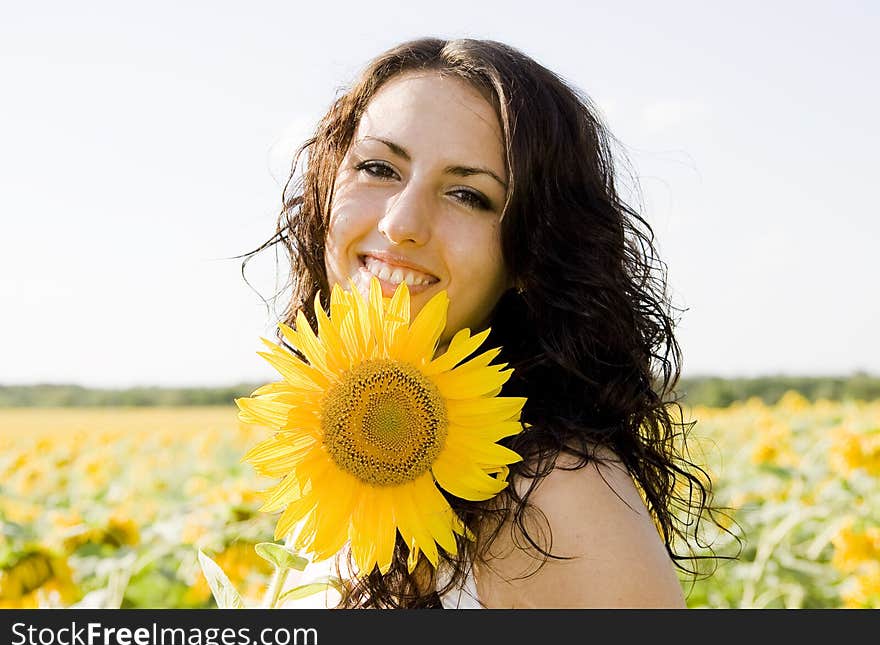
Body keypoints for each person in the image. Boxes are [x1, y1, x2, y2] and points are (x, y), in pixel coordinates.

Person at [242, 36, 734, 608]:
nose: (402, 223)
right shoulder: (345, 461)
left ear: (530, 253)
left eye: (468, 195)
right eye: (379, 167)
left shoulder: (558, 497)